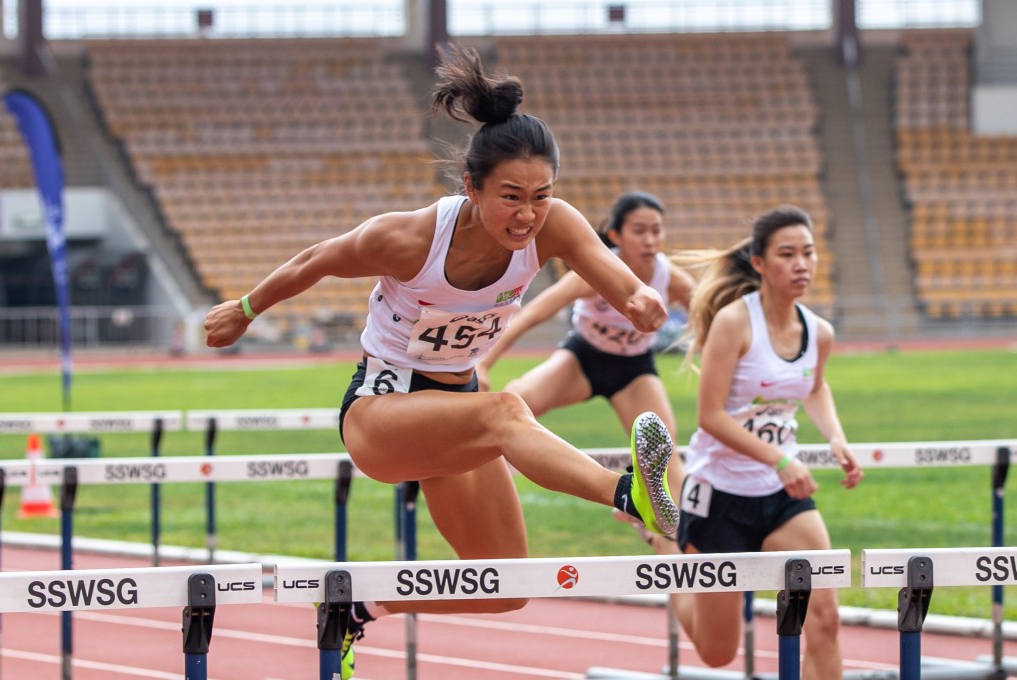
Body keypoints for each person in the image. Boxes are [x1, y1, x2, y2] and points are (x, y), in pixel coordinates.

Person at [203, 44, 679, 678]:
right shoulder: (408, 238)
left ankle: (354, 608)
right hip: (380, 414)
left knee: (506, 584)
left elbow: (607, 268)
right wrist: (245, 307)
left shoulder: (553, 225)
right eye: (511, 196)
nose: (528, 214)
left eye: (542, 196)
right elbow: (315, 259)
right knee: (506, 408)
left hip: (453, 414)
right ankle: (630, 495)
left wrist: (641, 300)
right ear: (471, 188)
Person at [671, 205, 863, 679]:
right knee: (717, 653)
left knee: (825, 618)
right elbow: (709, 415)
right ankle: (663, 541)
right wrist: (779, 459)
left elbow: (814, 386)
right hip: (719, 498)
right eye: (787, 254)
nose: (802, 264)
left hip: (781, 500)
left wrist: (836, 437)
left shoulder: (819, 332)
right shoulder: (735, 323)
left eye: (809, 252)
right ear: (759, 263)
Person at [476, 191, 695, 554]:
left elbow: (713, 322)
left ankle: (687, 539)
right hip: (583, 359)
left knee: (667, 455)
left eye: (657, 231)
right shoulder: (595, 269)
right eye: (640, 231)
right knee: (515, 398)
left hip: (634, 371)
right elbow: (532, 314)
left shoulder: (671, 279)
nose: (651, 240)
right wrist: (484, 363)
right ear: (616, 236)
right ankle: (483, 487)